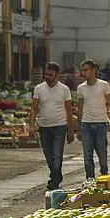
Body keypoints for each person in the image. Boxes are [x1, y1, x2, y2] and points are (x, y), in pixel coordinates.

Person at [30, 61, 74, 190]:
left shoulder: (64, 90)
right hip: (44, 127)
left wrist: (70, 130)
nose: (48, 77)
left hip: (60, 126)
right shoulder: (39, 88)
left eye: (51, 74)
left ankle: (54, 180)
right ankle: (56, 176)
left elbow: (69, 110)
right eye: (46, 74)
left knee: (57, 155)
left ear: (57, 75)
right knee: (49, 155)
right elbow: (33, 108)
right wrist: (32, 125)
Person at [77, 59, 110, 181]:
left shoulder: (104, 85)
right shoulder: (81, 88)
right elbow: (80, 109)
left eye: (86, 70)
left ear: (94, 70)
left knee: (102, 153)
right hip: (86, 125)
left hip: (100, 124)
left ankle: (104, 176)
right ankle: (90, 179)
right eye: (82, 70)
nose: (83, 73)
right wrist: (79, 128)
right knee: (87, 155)